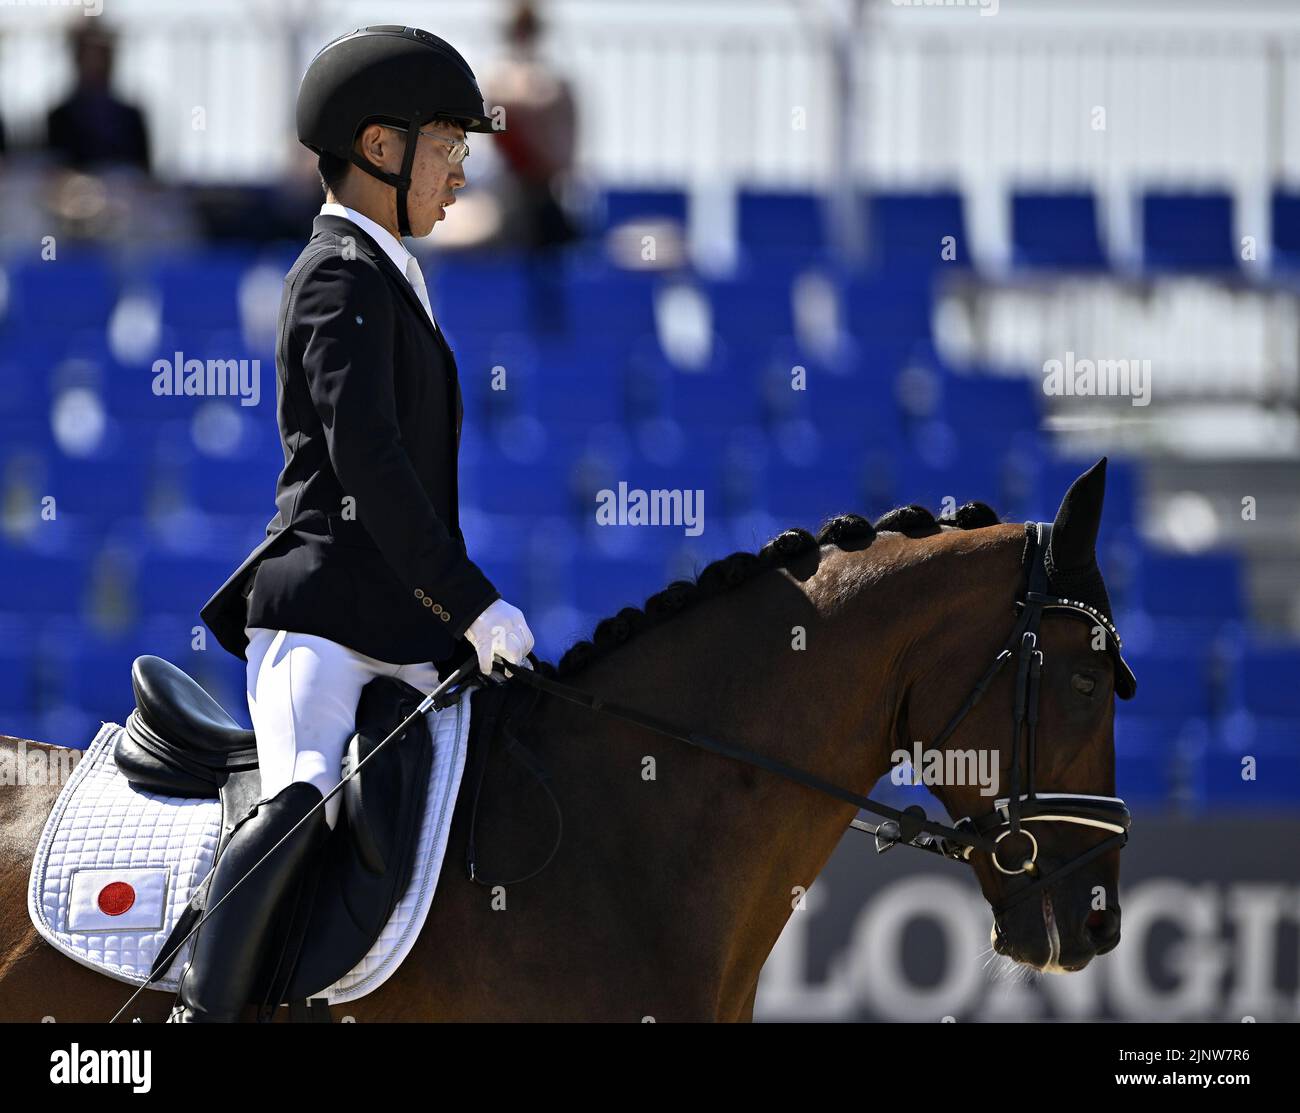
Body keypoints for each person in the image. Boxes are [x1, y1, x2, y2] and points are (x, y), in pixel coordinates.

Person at [171, 26, 535, 1022]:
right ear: (382, 148)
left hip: (404, 632)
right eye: (449, 147)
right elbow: (369, 466)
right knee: (299, 802)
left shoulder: (390, 275)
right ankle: (197, 1017)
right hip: (324, 624)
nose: (462, 171)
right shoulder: (335, 274)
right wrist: (472, 602)